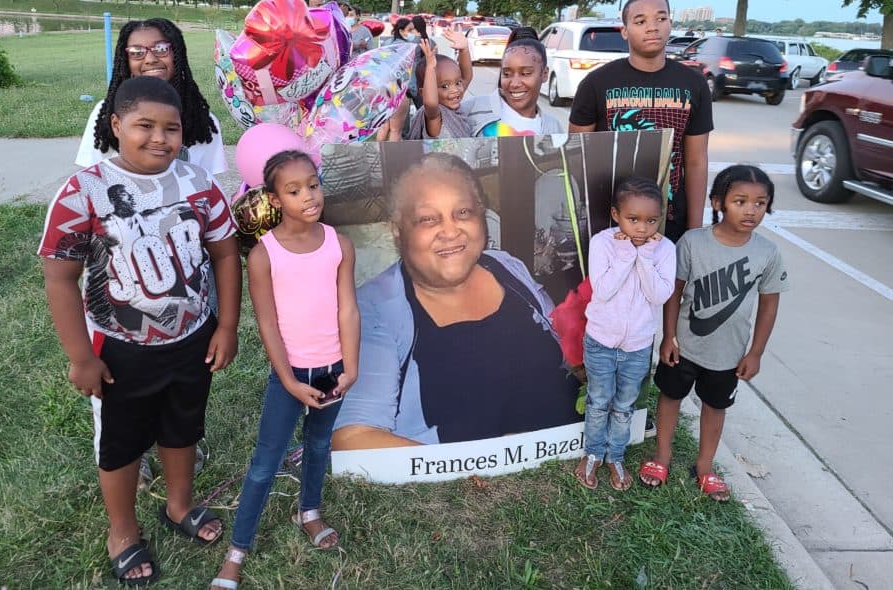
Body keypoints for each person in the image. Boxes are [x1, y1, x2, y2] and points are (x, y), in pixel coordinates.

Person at [40, 76, 242, 586]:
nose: (159, 138)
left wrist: (228, 326)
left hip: (193, 337)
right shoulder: (83, 190)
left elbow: (223, 254)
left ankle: (179, 506)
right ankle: (122, 532)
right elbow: (61, 279)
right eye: (144, 126)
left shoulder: (199, 184)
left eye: (170, 128)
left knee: (183, 428)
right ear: (115, 125)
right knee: (123, 444)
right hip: (123, 348)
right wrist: (82, 357)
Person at [332, 153, 581, 449]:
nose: (450, 231)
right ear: (398, 230)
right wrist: (486, 465)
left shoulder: (506, 266)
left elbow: (569, 352)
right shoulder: (377, 307)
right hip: (479, 482)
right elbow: (352, 438)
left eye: (463, 213)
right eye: (428, 219)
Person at [211, 150, 359, 589]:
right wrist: (291, 382)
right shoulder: (263, 255)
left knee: (318, 447)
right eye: (294, 191)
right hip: (290, 374)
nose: (309, 196)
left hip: (334, 369)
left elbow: (348, 308)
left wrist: (350, 367)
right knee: (265, 463)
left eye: (313, 185)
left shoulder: (339, 244)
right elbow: (268, 324)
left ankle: (309, 511)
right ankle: (237, 550)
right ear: (275, 200)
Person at [639, 165, 788, 501]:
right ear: (718, 202)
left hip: (728, 354)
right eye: (740, 201)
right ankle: (661, 456)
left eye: (760, 203)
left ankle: (705, 467)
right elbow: (674, 292)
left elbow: (769, 306)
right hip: (684, 347)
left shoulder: (767, 253)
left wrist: (756, 352)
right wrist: (668, 336)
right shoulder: (693, 242)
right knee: (670, 397)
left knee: (715, 406)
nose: (750, 210)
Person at [569, 0, 712, 243]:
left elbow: (696, 161)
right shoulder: (596, 83)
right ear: (624, 31)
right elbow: (578, 156)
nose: (652, 28)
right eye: (640, 21)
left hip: (670, 221)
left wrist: (695, 231)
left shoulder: (694, 83)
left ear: (670, 23)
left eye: (661, 18)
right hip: (610, 224)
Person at [574, 177, 676, 491]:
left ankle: (615, 456)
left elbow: (659, 294)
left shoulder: (664, 249)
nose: (642, 229)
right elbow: (602, 291)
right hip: (602, 341)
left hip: (638, 346)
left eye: (650, 221)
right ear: (617, 214)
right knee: (599, 399)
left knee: (624, 404)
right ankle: (592, 454)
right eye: (633, 219)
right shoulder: (604, 243)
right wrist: (624, 255)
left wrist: (644, 257)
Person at [75, 18, 227, 176]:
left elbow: (207, 185)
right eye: (136, 52)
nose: (150, 59)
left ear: (177, 53)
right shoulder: (106, 112)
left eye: (161, 49)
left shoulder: (203, 120)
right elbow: (91, 177)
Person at [459, 38, 565, 136]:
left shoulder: (554, 128)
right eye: (506, 74)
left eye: (526, 73)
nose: (514, 83)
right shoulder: (472, 109)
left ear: (544, 74)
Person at [406, 33, 473, 139]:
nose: (455, 90)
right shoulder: (434, 116)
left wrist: (464, 50)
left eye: (457, 83)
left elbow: (466, 77)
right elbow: (431, 103)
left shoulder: (452, 102)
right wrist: (430, 68)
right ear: (424, 92)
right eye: (445, 86)